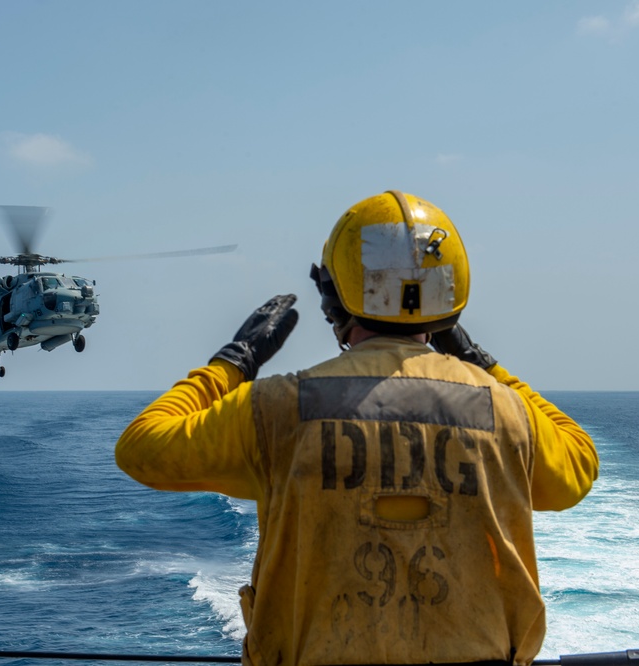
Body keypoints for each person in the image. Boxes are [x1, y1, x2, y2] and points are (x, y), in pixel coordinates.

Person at [115, 190, 598, 666]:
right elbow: (578, 465)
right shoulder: (506, 412)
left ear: (332, 296)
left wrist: (234, 361)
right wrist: (480, 363)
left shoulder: (278, 408)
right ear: (450, 297)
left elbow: (142, 448)